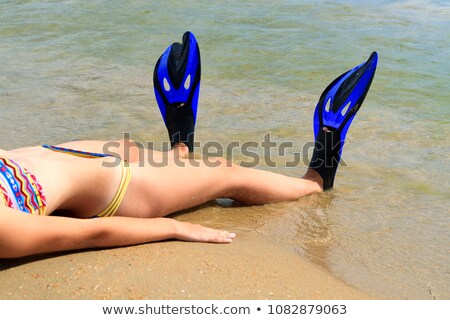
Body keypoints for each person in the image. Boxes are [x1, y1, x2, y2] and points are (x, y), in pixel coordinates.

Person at [0, 32, 378, 259]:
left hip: (79, 163)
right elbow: (92, 234)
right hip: (102, 180)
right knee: (228, 175)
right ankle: (317, 172)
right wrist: (173, 228)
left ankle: (181, 148)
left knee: (190, 165)